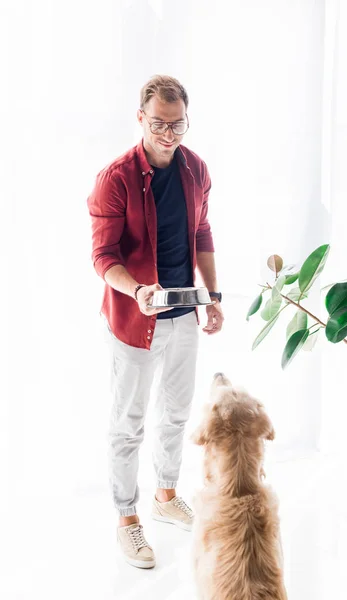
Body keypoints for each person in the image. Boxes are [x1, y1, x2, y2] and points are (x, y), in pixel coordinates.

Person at [87, 74, 224, 569]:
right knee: (128, 424)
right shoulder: (116, 178)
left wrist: (213, 296)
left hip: (184, 312)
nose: (169, 134)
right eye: (160, 124)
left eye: (178, 124)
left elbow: (202, 231)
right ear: (141, 118)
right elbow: (103, 257)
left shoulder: (196, 169)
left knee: (176, 413)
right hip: (132, 318)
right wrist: (139, 290)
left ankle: (165, 496)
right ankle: (128, 520)